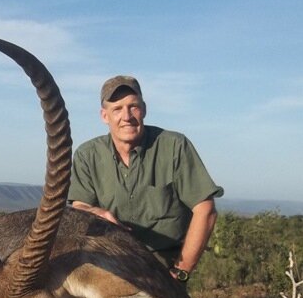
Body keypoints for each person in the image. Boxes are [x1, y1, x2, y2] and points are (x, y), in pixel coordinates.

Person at [68, 75, 223, 283]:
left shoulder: (174, 146)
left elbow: (205, 210)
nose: (127, 116)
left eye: (133, 107)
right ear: (104, 116)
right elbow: (79, 207)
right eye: (117, 109)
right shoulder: (87, 155)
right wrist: (96, 212)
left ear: (144, 109)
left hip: (162, 271)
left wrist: (180, 273)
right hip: (109, 268)